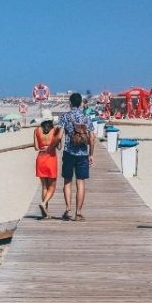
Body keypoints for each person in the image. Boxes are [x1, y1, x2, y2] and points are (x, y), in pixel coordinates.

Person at [59, 92, 95, 221]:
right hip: (82, 154)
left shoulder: (65, 116)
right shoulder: (86, 117)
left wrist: (56, 145)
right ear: (80, 103)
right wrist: (91, 154)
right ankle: (78, 212)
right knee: (80, 183)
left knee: (67, 181)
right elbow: (92, 138)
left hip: (68, 152)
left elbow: (59, 135)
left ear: (70, 103)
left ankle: (68, 209)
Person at [34, 111, 61, 219]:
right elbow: (59, 147)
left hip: (40, 158)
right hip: (51, 158)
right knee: (52, 186)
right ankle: (44, 203)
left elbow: (36, 147)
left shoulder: (36, 130)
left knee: (44, 186)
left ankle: (45, 213)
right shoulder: (55, 130)